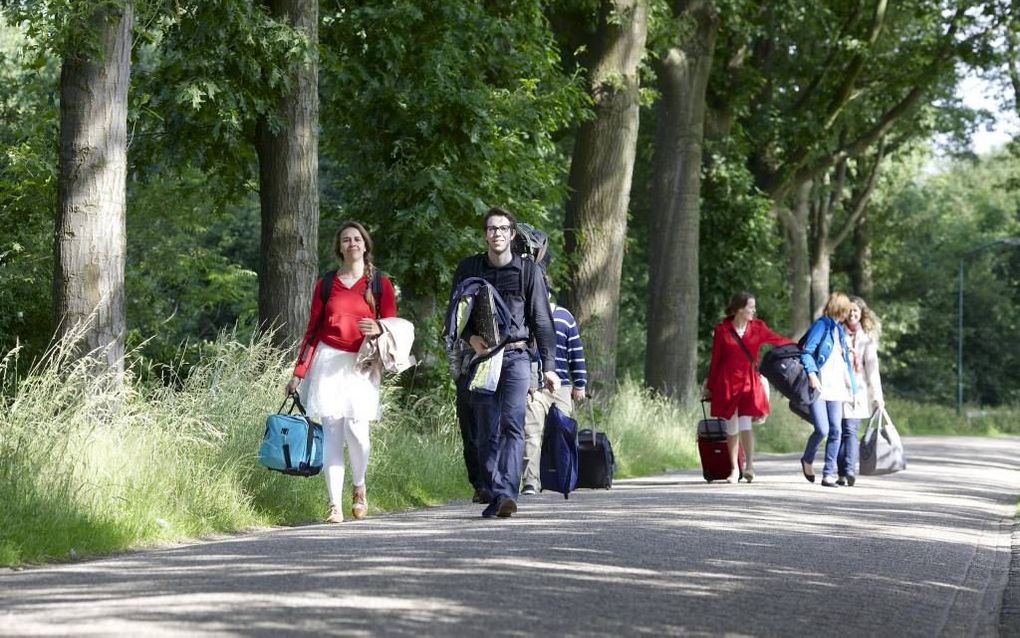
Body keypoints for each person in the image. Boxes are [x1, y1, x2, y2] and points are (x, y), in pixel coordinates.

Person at [285, 222, 397, 523]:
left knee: (357, 431)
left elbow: (393, 327)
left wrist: (378, 327)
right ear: (339, 247)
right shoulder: (325, 284)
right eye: (346, 240)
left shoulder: (379, 284)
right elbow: (311, 331)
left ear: (365, 245)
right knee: (333, 430)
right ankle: (334, 505)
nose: (352, 244)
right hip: (328, 360)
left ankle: (359, 488)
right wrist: (299, 371)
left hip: (363, 362)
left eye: (357, 239)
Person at [450, 207, 558, 518]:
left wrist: (549, 366)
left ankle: (506, 493)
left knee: (513, 424)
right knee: (486, 430)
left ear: (512, 234)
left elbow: (541, 320)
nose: (497, 233)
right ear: (485, 234)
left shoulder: (528, 272)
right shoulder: (469, 268)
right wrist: (471, 339)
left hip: (516, 356)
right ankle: (497, 489)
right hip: (482, 359)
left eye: (502, 228)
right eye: (491, 228)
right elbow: (455, 314)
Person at [703, 291, 794, 483]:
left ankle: (750, 466)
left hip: (749, 383)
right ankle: (734, 469)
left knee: (745, 423)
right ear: (739, 309)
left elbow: (778, 340)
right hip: (727, 383)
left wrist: (801, 348)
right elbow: (716, 361)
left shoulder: (758, 328)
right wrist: (710, 386)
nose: (754, 310)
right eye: (750, 307)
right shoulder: (722, 330)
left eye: (754, 306)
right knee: (731, 427)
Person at [520, 295, 588, 495]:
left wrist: (580, 384)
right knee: (531, 432)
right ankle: (531, 482)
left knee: (563, 433)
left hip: (561, 387)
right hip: (533, 386)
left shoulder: (565, 317)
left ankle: (565, 475)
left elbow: (575, 351)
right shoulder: (525, 316)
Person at [799, 292, 857, 487]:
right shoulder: (821, 325)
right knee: (822, 429)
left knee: (836, 430)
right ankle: (807, 458)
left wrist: (853, 390)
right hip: (819, 386)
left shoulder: (839, 331)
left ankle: (828, 474)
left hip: (837, 388)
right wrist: (812, 375)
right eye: (847, 309)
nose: (849, 313)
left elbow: (846, 363)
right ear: (840, 309)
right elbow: (806, 352)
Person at [838, 295, 885, 486]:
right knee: (839, 431)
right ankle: (841, 471)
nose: (852, 314)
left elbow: (872, 369)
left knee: (850, 429)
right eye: (849, 310)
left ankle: (848, 469)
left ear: (861, 313)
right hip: (837, 387)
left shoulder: (867, 337)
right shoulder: (836, 332)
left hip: (858, 390)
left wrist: (878, 397)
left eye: (856, 310)